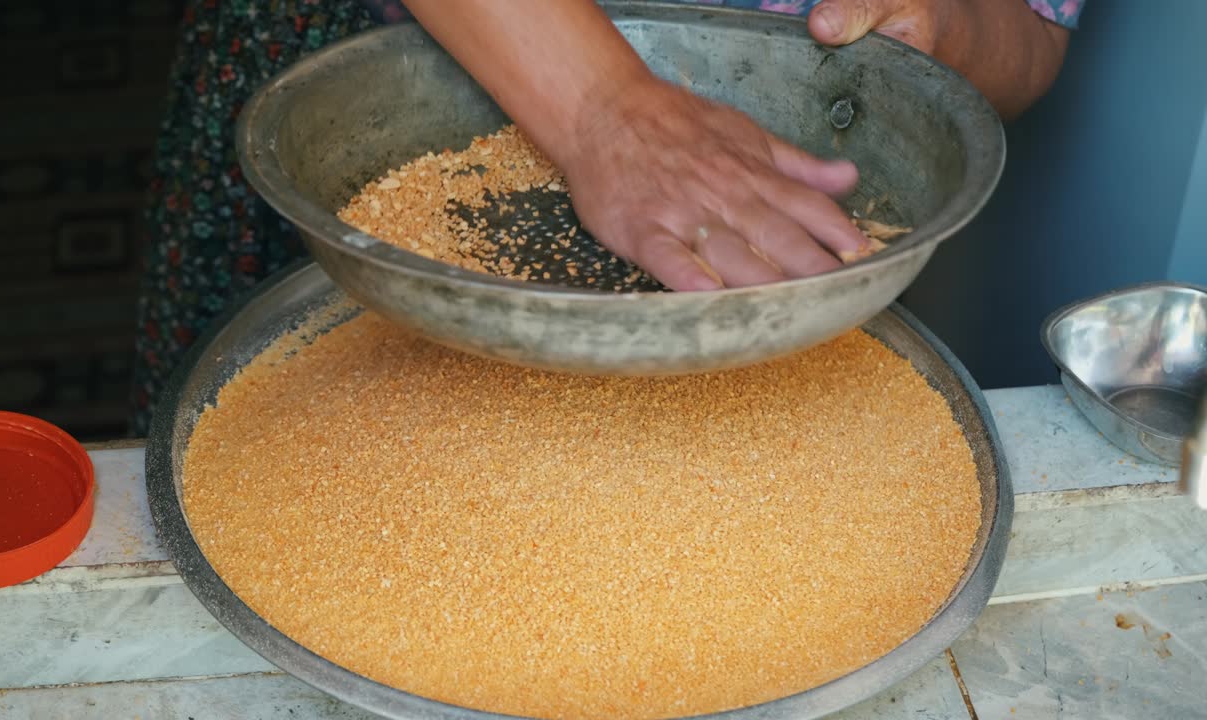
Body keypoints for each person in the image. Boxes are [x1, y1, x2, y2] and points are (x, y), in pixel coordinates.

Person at [131, 0, 1084, 434]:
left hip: (743, 182)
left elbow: (1033, 36)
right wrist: (602, 108)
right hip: (382, 84)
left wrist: (948, 28)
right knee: (285, 437)